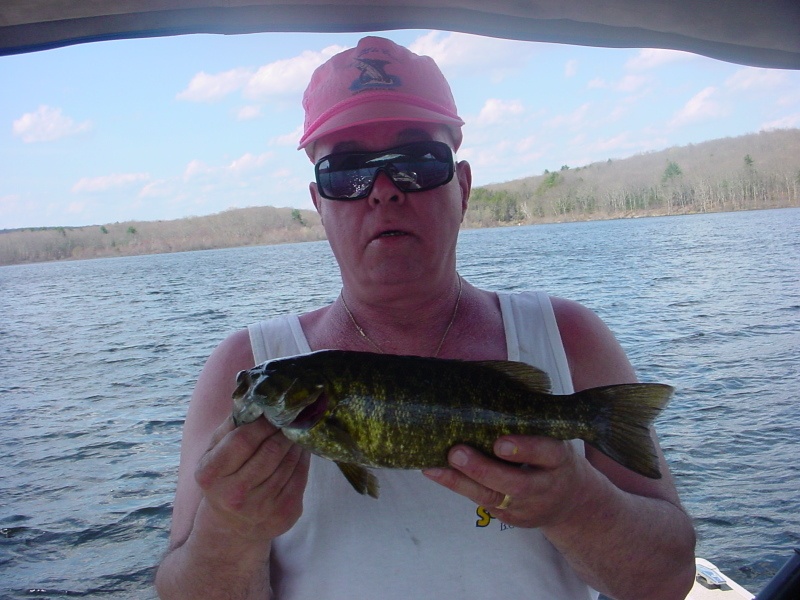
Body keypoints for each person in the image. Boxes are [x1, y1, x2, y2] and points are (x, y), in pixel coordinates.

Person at [155, 36, 696, 600]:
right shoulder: (244, 366)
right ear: (320, 203)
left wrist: (579, 504)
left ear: (461, 187)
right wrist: (230, 529)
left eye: (416, 162)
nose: (384, 192)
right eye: (347, 171)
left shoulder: (569, 338)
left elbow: (666, 582)